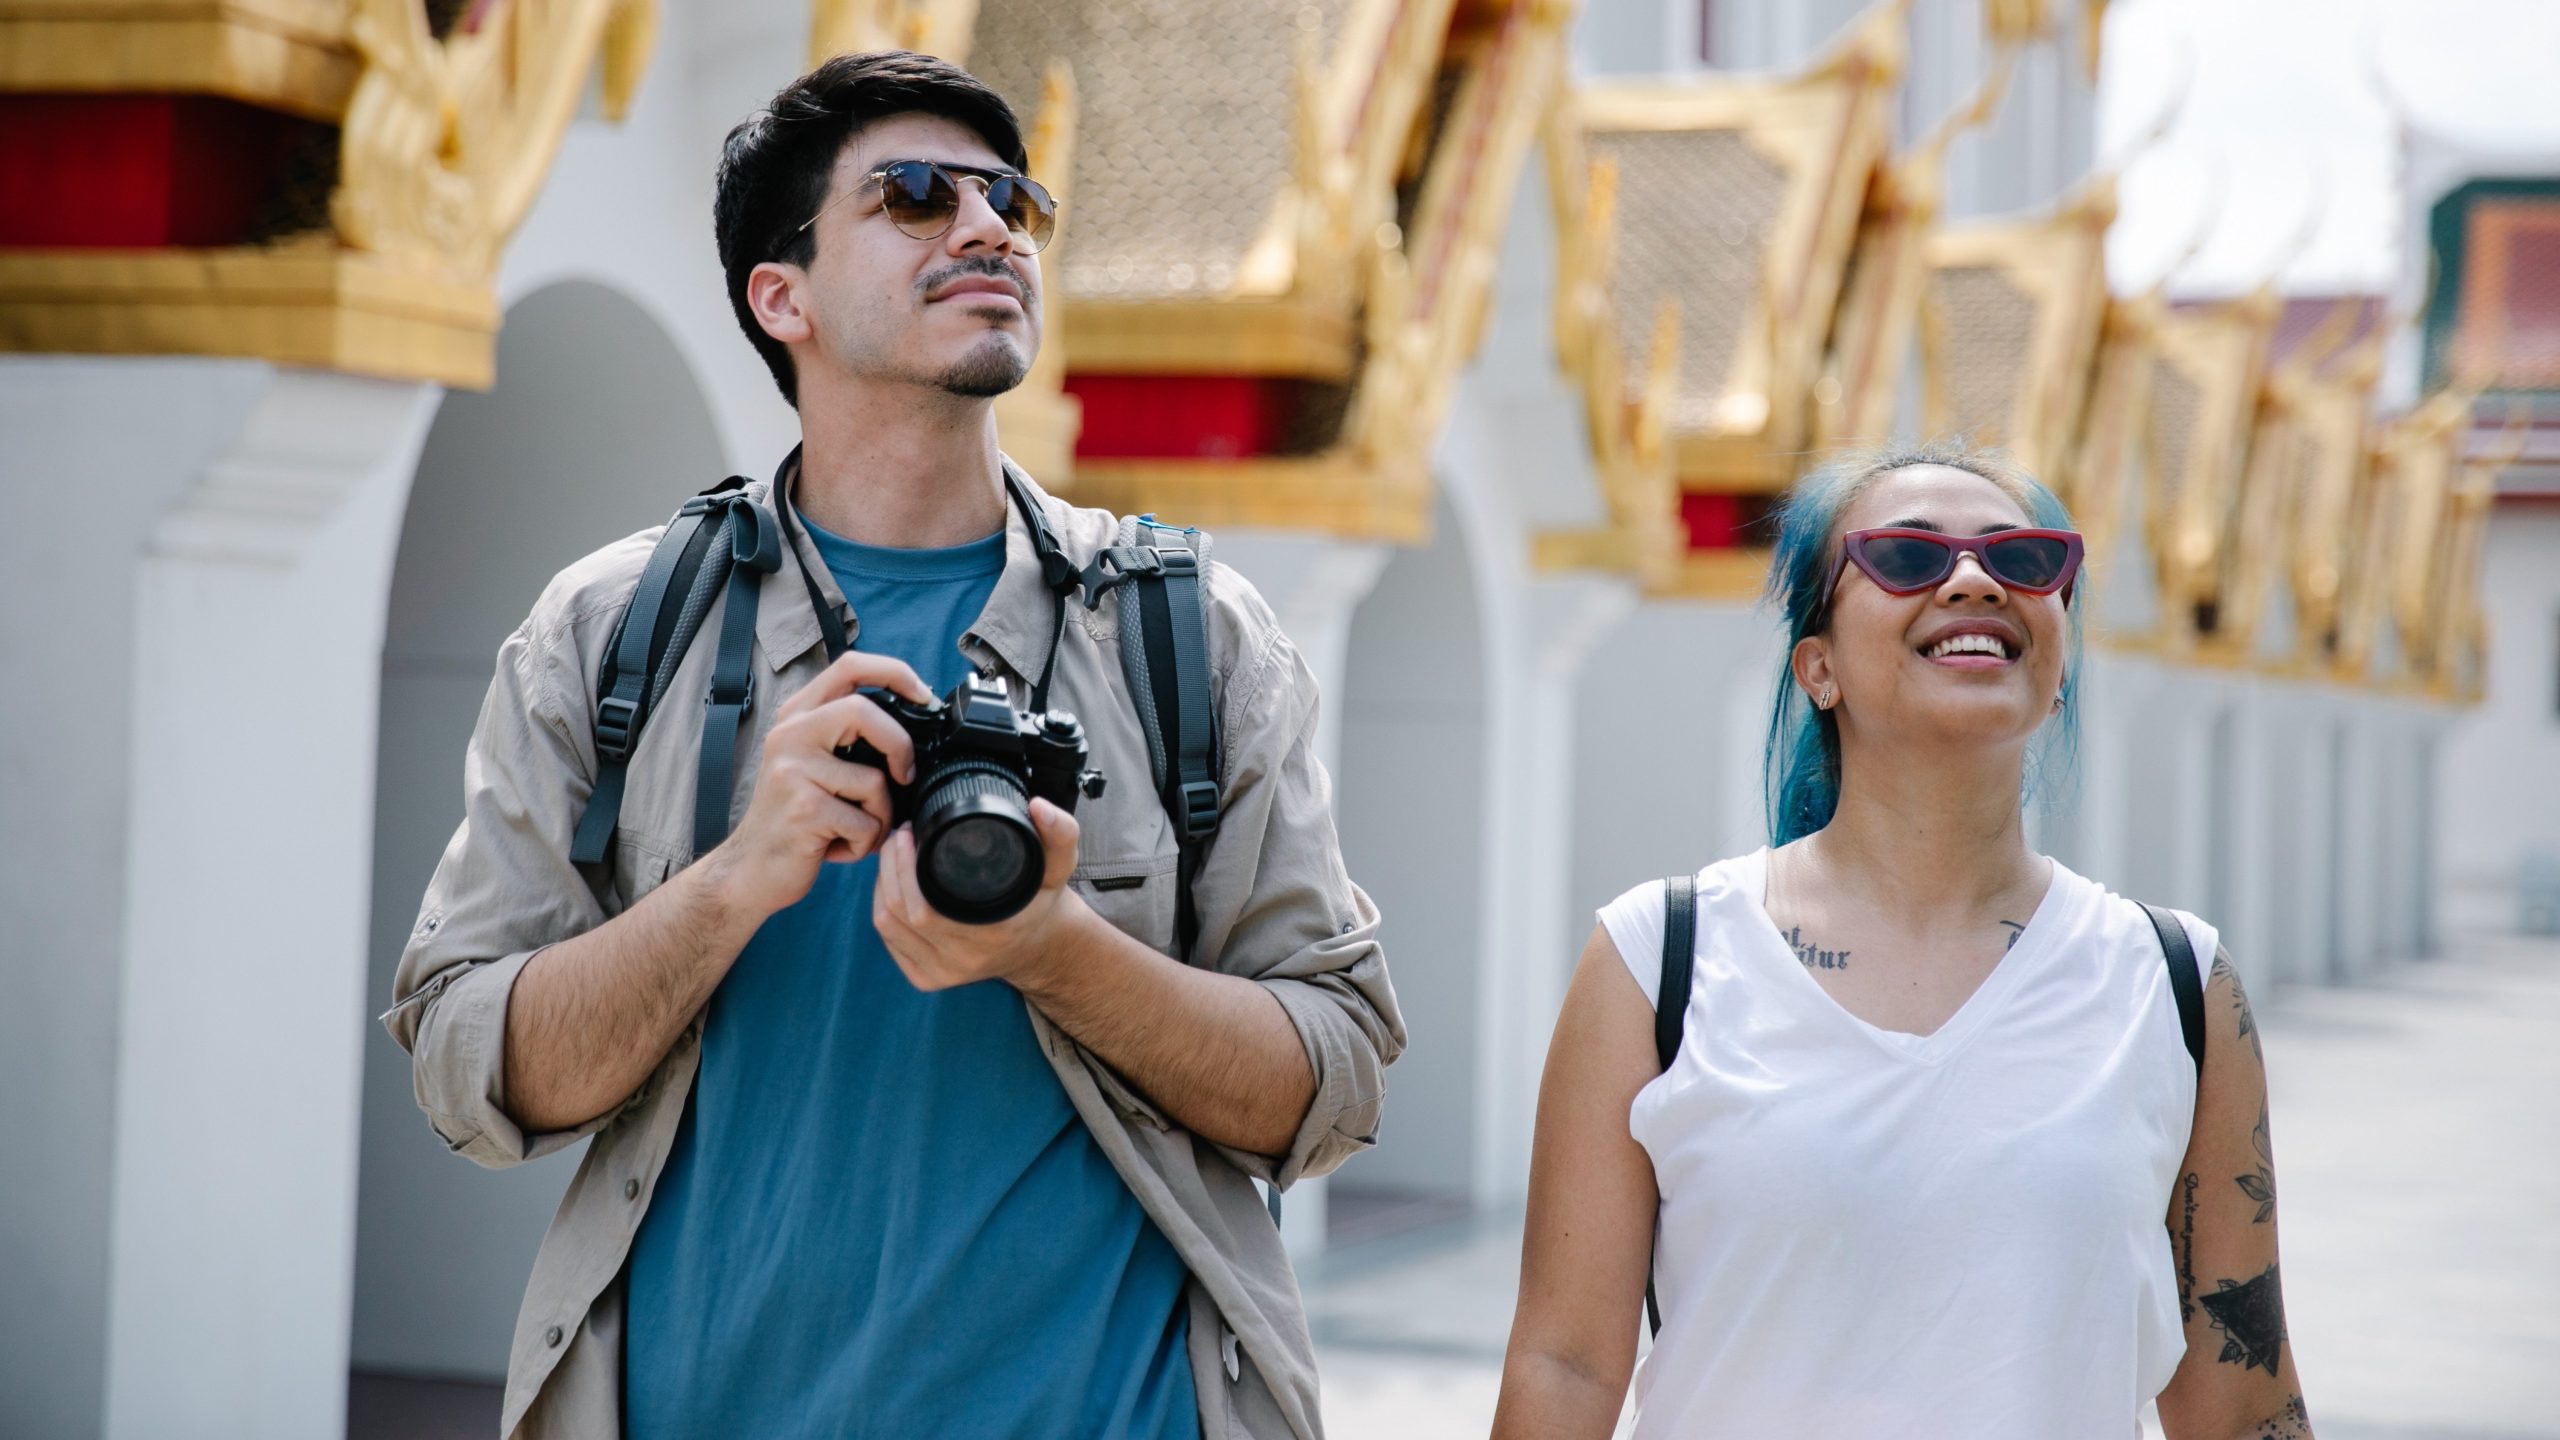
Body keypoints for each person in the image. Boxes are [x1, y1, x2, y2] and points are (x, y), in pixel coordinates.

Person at [384, 51, 1401, 1440]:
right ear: (779, 294)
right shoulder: (613, 633)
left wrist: (1056, 952)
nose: (986, 230)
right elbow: (469, 1068)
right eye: (915, 197)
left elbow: (1333, 1079)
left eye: (1012, 203)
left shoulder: (1194, 640)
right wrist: (738, 874)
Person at [1490, 443, 2311, 1439]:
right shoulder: (1658, 958)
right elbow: (1565, 1367)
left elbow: (2242, 1403)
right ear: (1818, 667)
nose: (1974, 580)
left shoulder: (2175, 986)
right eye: (1907, 558)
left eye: (2024, 560)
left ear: (2055, 671)